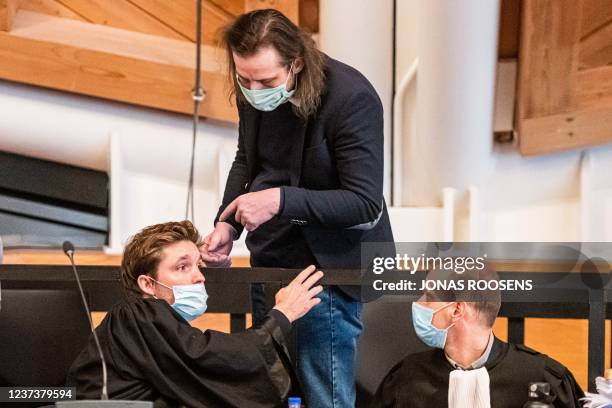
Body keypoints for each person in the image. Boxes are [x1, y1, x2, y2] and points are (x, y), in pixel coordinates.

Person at [200, 9, 394, 407]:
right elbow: (247, 159)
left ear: (297, 63)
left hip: (331, 265)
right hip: (271, 256)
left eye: (266, 81)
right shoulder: (253, 84)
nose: (253, 90)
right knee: (272, 386)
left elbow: (363, 200)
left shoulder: (351, 97)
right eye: (244, 79)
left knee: (325, 395)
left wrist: (280, 199)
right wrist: (227, 224)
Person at [67, 221, 323, 408]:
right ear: (147, 284)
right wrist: (281, 315)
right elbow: (205, 356)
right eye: (182, 267)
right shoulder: (135, 314)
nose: (199, 276)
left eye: (198, 265)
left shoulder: (143, 321)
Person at [372, 267, 584, 408]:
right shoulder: (406, 378)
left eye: (429, 296)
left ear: (456, 310)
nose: (419, 303)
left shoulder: (543, 378)